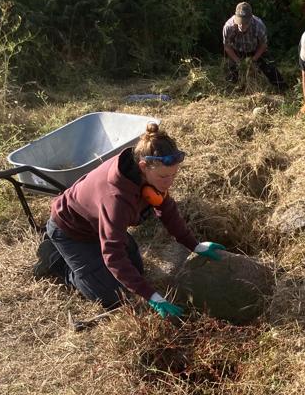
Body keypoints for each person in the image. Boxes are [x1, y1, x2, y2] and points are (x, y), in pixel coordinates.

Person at [33, 123, 225, 320]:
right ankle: (56, 260)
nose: (169, 182)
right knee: (112, 294)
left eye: (173, 174)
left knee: (135, 271)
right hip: (71, 230)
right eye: (164, 176)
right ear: (143, 166)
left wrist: (195, 245)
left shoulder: (147, 174)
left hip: (100, 224)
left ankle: (83, 259)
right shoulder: (116, 199)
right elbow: (113, 255)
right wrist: (152, 297)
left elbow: (167, 210)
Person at [222, 1, 285, 92]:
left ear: (250, 19)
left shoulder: (259, 25)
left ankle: (282, 88)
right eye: (240, 22)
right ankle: (232, 91)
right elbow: (227, 47)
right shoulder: (228, 27)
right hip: (237, 51)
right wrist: (238, 61)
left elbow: (263, 45)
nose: (242, 26)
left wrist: (254, 59)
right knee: (232, 73)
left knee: (269, 68)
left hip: (255, 49)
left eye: (245, 23)